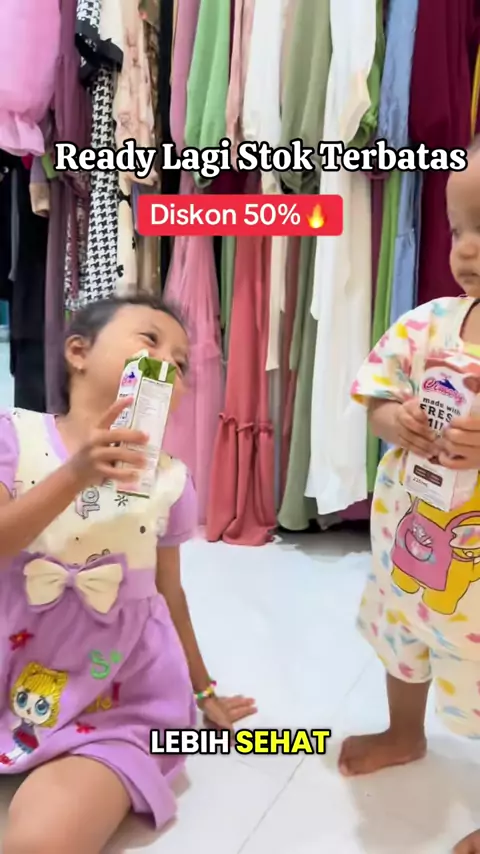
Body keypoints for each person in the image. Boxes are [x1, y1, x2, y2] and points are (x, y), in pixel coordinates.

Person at [0, 294, 256, 854]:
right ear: (78, 353)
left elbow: (169, 593)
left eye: (181, 363)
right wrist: (76, 474)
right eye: (150, 341)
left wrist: (204, 690)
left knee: (43, 842)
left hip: (117, 697)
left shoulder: (171, 481)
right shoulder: (13, 436)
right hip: (10, 660)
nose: (168, 364)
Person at [339, 145, 480, 854]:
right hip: (405, 552)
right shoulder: (428, 323)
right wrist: (392, 419)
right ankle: (404, 732)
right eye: (458, 228)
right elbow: (376, 397)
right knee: (401, 640)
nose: (466, 248)